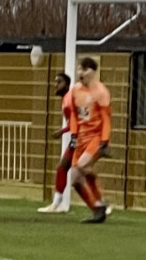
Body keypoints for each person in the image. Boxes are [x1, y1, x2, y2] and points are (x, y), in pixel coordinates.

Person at [68, 57, 110, 224]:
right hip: (81, 139)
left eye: (84, 70)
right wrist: (73, 135)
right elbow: (73, 114)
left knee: (83, 166)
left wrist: (104, 140)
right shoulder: (75, 90)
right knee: (75, 178)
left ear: (92, 72)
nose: (80, 73)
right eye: (79, 69)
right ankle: (97, 209)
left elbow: (106, 118)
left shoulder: (101, 92)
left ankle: (100, 198)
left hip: (95, 137)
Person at [37, 73, 76, 214]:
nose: (56, 85)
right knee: (64, 168)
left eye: (58, 82)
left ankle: (100, 203)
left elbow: (75, 123)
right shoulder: (68, 98)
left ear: (66, 84)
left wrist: (61, 131)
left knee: (71, 170)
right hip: (78, 137)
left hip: (80, 138)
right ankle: (57, 203)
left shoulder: (69, 100)